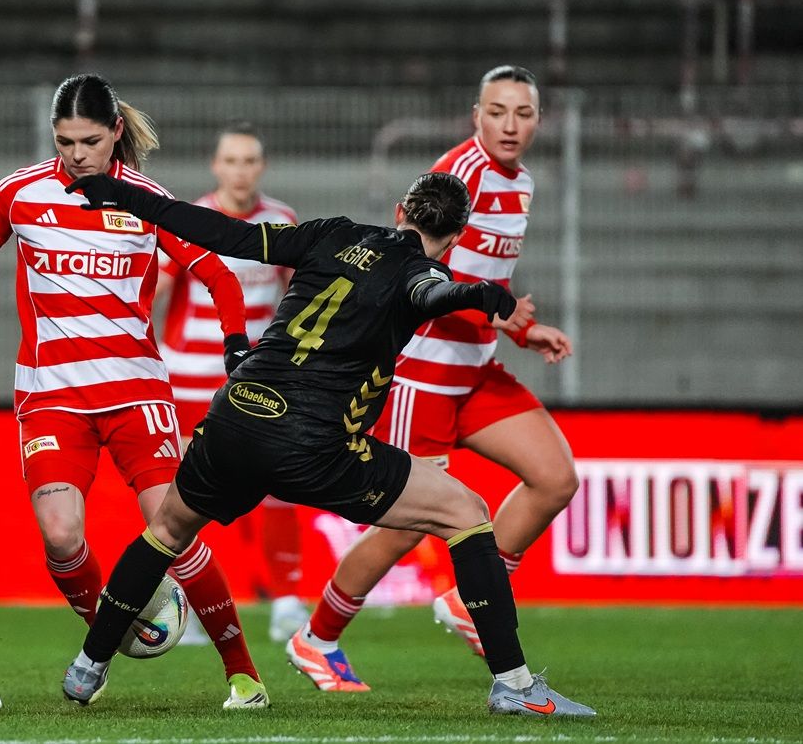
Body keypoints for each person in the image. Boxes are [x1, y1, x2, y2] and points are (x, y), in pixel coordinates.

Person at [59, 169, 596, 718]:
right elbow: (432, 293)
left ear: (399, 212)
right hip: (311, 445)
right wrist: (476, 293)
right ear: (457, 237)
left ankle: (87, 666)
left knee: (167, 532)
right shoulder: (421, 272)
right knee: (468, 512)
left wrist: (125, 195)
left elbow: (223, 233)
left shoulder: (329, 233)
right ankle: (514, 685)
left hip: (236, 415)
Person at [0, 74, 270, 709]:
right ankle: (107, 643)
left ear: (116, 132)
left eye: (89, 141)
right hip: (52, 397)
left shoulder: (148, 199)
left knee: (172, 526)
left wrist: (236, 342)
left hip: (136, 393)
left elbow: (218, 276)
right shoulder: (20, 192)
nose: (76, 155)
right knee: (61, 535)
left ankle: (244, 676)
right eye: (64, 142)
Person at [291, 66, 579, 692]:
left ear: (538, 119)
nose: (510, 125)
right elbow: (418, 274)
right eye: (497, 111)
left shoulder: (522, 183)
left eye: (523, 113)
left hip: (474, 369)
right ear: (476, 115)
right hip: (423, 374)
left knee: (556, 478)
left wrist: (522, 330)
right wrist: (502, 317)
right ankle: (317, 639)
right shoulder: (460, 175)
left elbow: (487, 284)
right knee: (405, 525)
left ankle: (467, 603)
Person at [155, 123, 306, 643]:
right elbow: (155, 291)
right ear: (215, 166)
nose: (240, 171)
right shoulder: (191, 220)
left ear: (261, 167)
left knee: (279, 485)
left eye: (249, 161)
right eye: (232, 160)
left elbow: (299, 298)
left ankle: (286, 601)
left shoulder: (282, 221)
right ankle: (193, 605)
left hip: (256, 382)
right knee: (187, 494)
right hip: (188, 380)